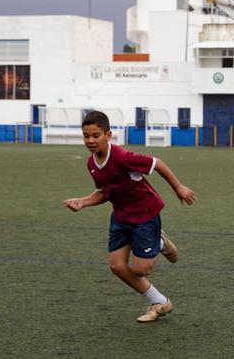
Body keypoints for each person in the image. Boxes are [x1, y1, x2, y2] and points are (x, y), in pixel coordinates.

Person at [64, 110, 196, 323]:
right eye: (86, 136)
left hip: (144, 214)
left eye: (95, 135)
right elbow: (104, 193)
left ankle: (159, 239)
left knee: (142, 270)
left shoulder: (123, 157)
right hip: (121, 217)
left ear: (108, 135)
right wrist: (83, 202)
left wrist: (178, 187)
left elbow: (158, 163)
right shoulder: (91, 164)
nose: (90, 140)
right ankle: (159, 301)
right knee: (117, 266)